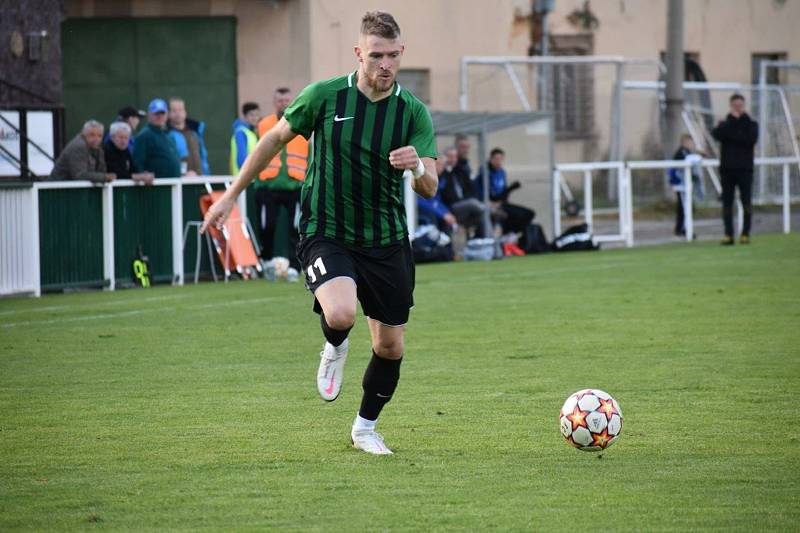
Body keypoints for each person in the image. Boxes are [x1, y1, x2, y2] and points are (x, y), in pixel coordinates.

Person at [202, 11, 438, 455]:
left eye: (392, 55)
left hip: (386, 239)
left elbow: (431, 187)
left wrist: (419, 166)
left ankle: (365, 429)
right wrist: (231, 195)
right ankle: (334, 345)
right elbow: (272, 141)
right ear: (358, 54)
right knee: (342, 313)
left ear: (401, 53)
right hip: (326, 230)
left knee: (390, 346)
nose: (385, 64)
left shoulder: (412, 112)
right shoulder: (325, 97)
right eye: (375, 56)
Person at [255, 87, 309, 273]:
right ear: (274, 102)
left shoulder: (302, 122)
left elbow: (309, 153)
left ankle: (295, 266)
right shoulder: (263, 124)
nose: (284, 103)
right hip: (268, 184)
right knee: (267, 226)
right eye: (280, 100)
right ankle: (267, 261)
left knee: (295, 227)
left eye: (287, 100)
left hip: (294, 184)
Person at [711, 93, 759, 245]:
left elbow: (749, 139)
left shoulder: (751, 124)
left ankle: (745, 233)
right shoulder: (725, 123)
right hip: (727, 170)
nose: (737, 108)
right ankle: (728, 234)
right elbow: (717, 134)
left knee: (746, 202)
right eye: (735, 105)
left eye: (740, 105)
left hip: (745, 170)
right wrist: (731, 124)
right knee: (727, 204)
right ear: (731, 106)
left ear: (743, 106)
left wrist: (732, 130)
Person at [475, 148, 535, 235]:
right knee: (512, 215)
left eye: (501, 159)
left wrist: (509, 190)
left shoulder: (501, 172)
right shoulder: (485, 173)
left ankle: (509, 234)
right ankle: (507, 235)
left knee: (529, 214)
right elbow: (490, 194)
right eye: (496, 159)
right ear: (491, 159)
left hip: (501, 203)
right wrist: (511, 188)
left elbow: (503, 191)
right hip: (490, 204)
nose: (499, 162)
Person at [438, 146, 487, 237]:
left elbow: (471, 188)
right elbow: (444, 194)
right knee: (475, 205)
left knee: (482, 217)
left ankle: (480, 241)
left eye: (455, 157)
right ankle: (488, 209)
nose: (453, 159)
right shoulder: (442, 172)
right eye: (450, 156)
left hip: (464, 204)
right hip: (451, 206)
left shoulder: (460, 171)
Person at [49, 120, 115, 183]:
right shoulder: (79, 146)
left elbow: (101, 171)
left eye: (99, 136)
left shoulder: (97, 149)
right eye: (92, 135)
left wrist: (104, 176)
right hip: (56, 191)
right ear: (84, 134)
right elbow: (80, 175)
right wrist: (105, 177)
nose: (96, 139)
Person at [133, 98, 181, 178]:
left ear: (167, 115)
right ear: (149, 115)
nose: (160, 116)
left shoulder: (169, 135)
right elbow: (138, 162)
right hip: (156, 186)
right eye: (156, 113)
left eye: (162, 113)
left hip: (174, 184)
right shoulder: (144, 135)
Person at [669, 134, 704, 237]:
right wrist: (699, 155)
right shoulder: (682, 152)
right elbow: (689, 160)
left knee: (684, 207)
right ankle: (684, 229)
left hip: (685, 185)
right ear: (685, 142)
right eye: (690, 142)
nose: (691, 144)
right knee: (684, 207)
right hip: (681, 185)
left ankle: (681, 229)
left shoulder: (687, 152)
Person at [168, 97, 210, 176]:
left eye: (180, 110)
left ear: (185, 112)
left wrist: (206, 175)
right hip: (180, 183)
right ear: (169, 114)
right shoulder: (167, 135)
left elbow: (203, 157)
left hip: (201, 180)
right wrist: (182, 174)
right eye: (174, 110)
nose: (178, 113)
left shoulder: (194, 134)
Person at [229, 102, 260, 176]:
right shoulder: (241, 132)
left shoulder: (251, 133)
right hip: (244, 179)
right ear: (245, 116)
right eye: (251, 115)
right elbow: (241, 159)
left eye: (257, 115)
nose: (255, 118)